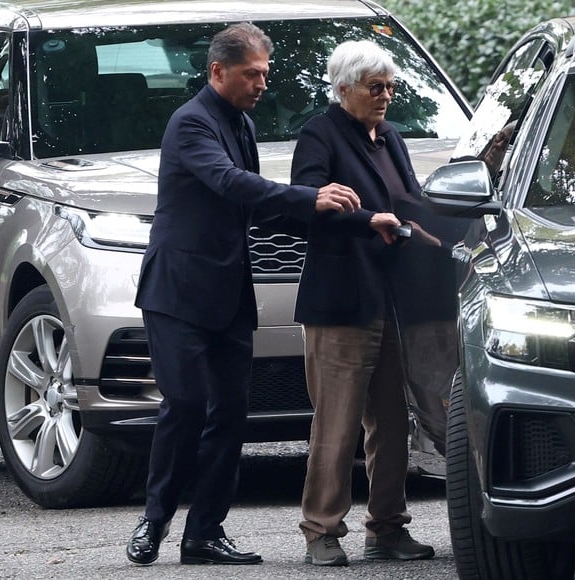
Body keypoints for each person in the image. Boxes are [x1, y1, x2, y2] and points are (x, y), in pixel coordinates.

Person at [126, 23, 397, 567]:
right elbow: (229, 182)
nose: (261, 84)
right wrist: (308, 196)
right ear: (217, 71)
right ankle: (154, 520)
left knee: (230, 412)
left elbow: (255, 208)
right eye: (252, 74)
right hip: (178, 292)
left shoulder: (242, 123)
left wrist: (350, 219)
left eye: (265, 74)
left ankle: (205, 533)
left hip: (229, 292)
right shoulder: (191, 124)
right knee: (184, 404)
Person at [290, 39, 436, 567]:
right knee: (338, 423)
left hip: (390, 297)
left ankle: (388, 528)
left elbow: (409, 197)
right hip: (341, 301)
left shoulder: (390, 136)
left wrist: (423, 224)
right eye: (376, 87)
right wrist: (365, 220)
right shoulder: (320, 133)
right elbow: (308, 203)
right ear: (344, 88)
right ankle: (321, 532)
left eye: (391, 86)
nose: (386, 95)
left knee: (392, 421)